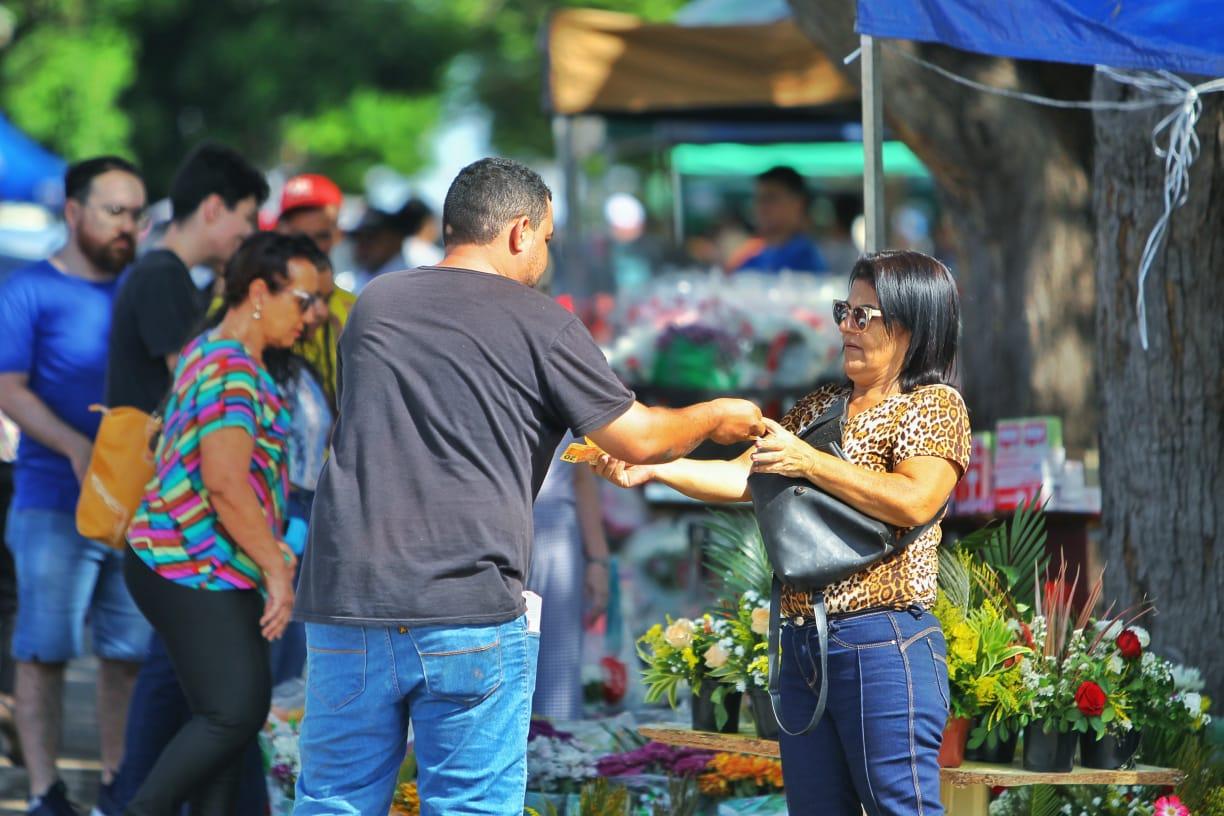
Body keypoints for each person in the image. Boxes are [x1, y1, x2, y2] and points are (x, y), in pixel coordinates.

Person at [291, 157, 764, 815]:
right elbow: (639, 438)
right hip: (467, 602)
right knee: (472, 808)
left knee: (334, 802)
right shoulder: (542, 322)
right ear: (519, 231)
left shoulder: (375, 304)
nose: (545, 253)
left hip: (349, 598)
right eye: (546, 237)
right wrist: (719, 414)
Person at [594, 250, 971, 815]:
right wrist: (654, 468)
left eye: (865, 315)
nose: (846, 325)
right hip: (802, 641)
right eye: (847, 310)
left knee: (903, 807)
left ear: (913, 326)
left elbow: (916, 500)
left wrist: (808, 462)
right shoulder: (824, 404)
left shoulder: (935, 405)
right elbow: (744, 477)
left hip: (884, 638)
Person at [122, 232, 321, 816]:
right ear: (259, 291)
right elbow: (226, 484)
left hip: (205, 560)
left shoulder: (215, 351)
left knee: (225, 728)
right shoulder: (231, 368)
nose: (311, 318)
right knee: (235, 711)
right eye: (304, 300)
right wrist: (277, 569)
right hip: (188, 559)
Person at [103, 142, 269, 816]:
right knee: (197, 692)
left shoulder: (173, 279)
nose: (249, 235)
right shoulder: (163, 279)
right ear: (212, 208)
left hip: (178, 534)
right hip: (175, 532)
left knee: (203, 696)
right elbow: (196, 386)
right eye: (247, 219)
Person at [0, 156, 152, 816]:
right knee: (44, 650)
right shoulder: (28, 289)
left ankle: (116, 786)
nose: (128, 226)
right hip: (51, 503)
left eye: (136, 214)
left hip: (139, 510)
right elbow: (7, 386)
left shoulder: (147, 290)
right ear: (72, 212)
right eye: (114, 211)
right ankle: (44, 791)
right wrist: (73, 446)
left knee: (126, 654)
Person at [275, 173, 354, 408]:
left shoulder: (356, 309)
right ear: (280, 231)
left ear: (337, 235)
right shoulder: (251, 300)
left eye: (321, 237)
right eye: (300, 238)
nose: (309, 248)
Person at [734, 166, 827, 274]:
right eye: (758, 199)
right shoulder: (750, 258)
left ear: (798, 204)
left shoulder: (807, 262)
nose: (761, 207)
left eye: (771, 198)